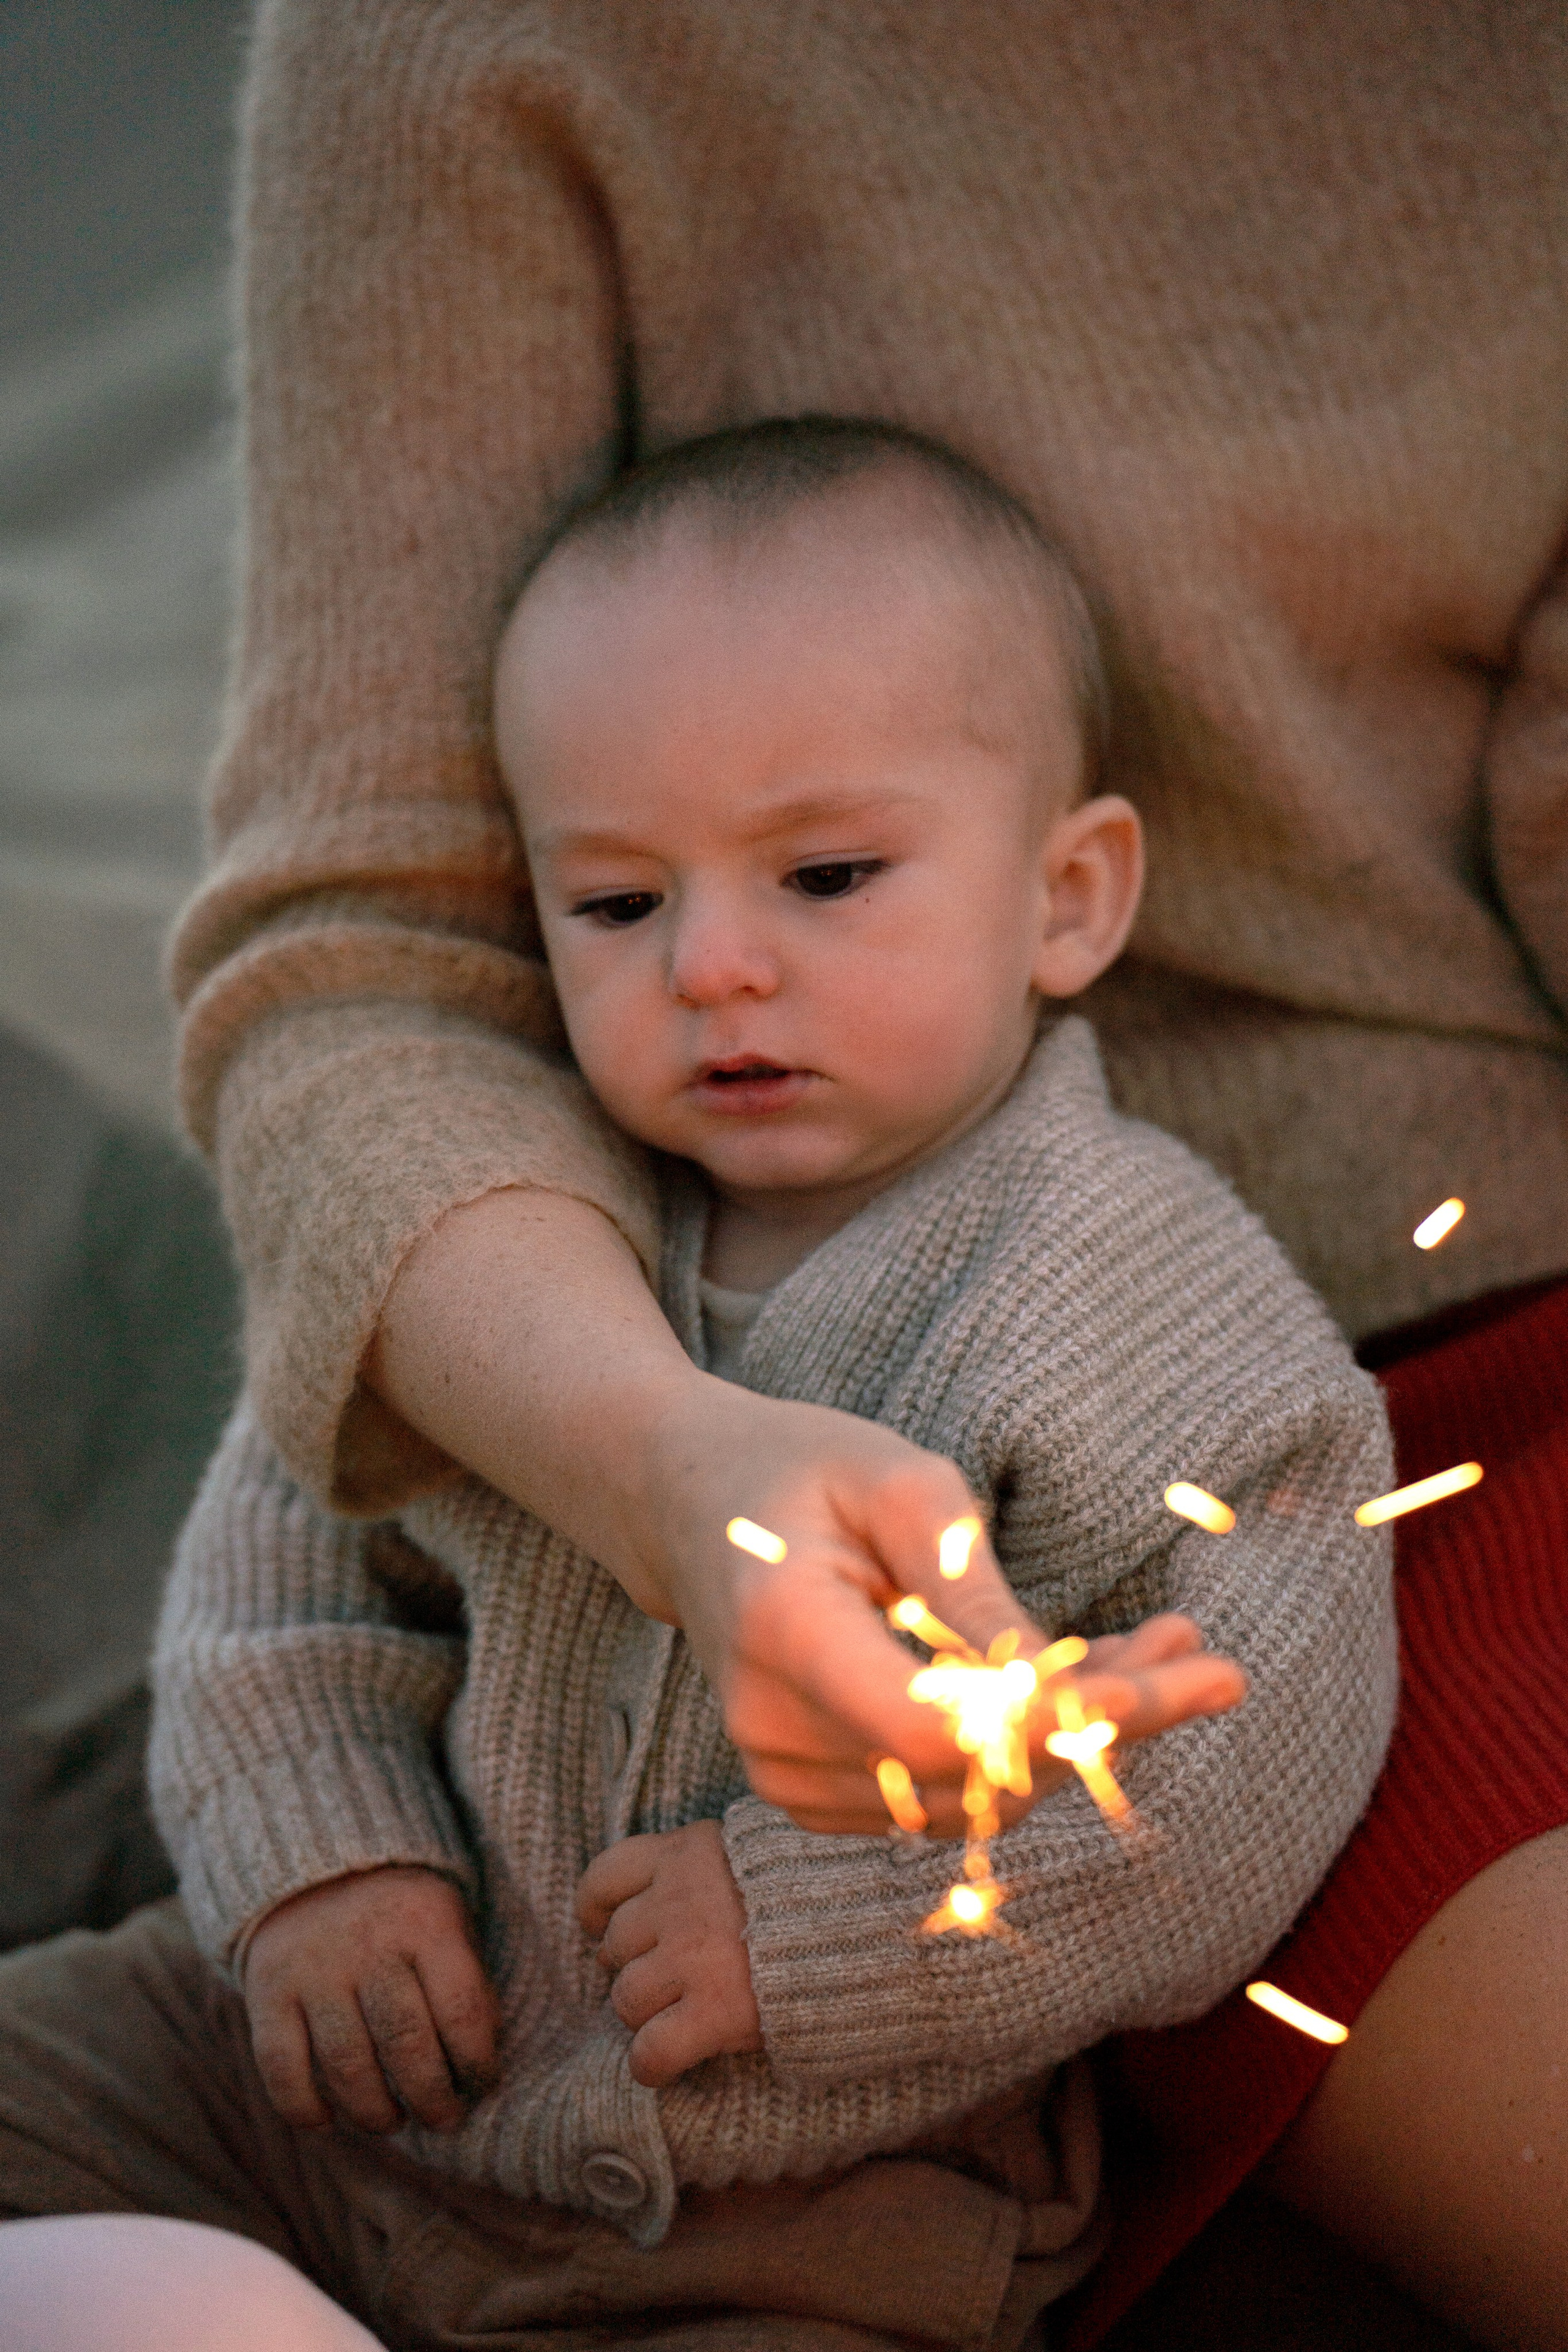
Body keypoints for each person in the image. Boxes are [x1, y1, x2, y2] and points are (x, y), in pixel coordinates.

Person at [19, 5, 1568, 2342]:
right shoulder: (522, 1231)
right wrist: (319, 1852)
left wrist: (816, 1941)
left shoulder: (1137, 1305)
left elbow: (1217, 1775)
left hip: (801, 2180)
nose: (714, 976)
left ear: (1075, 899)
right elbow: (278, 1576)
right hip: (312, 2067)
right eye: (620, 908)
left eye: (827, 881)